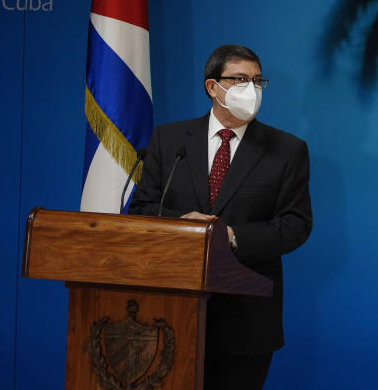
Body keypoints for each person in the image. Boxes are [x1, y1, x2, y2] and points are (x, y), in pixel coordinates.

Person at [128, 44, 313, 390]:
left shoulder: (287, 150)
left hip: (246, 320)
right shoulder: (169, 140)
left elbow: (295, 225)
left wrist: (229, 236)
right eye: (240, 79)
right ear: (212, 87)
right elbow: (141, 208)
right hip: (169, 313)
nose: (252, 89)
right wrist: (186, 225)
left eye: (258, 81)